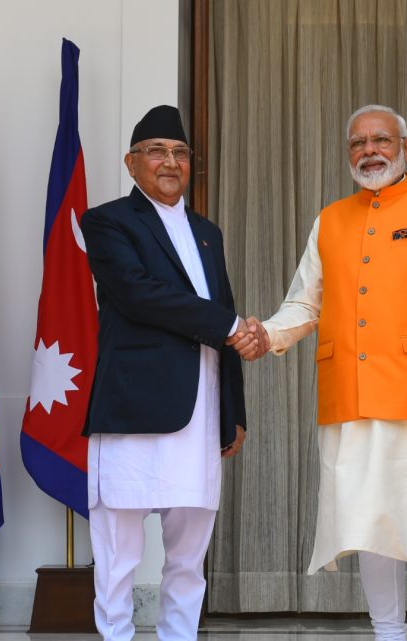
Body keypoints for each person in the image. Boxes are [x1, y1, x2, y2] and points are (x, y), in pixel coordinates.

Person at [249, 104, 407, 640]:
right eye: (359, 143)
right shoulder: (330, 220)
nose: (370, 151)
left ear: (406, 148)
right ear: (348, 153)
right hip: (352, 404)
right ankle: (386, 633)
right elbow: (305, 305)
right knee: (368, 530)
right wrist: (267, 334)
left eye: (381, 140)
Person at [80, 105, 264, 641]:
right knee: (118, 557)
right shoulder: (107, 221)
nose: (170, 162)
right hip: (134, 406)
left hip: (201, 412)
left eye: (180, 153)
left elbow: (222, 307)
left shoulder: (208, 232)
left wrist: (234, 411)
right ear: (132, 162)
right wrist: (232, 326)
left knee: (188, 557)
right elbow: (140, 295)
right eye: (157, 151)